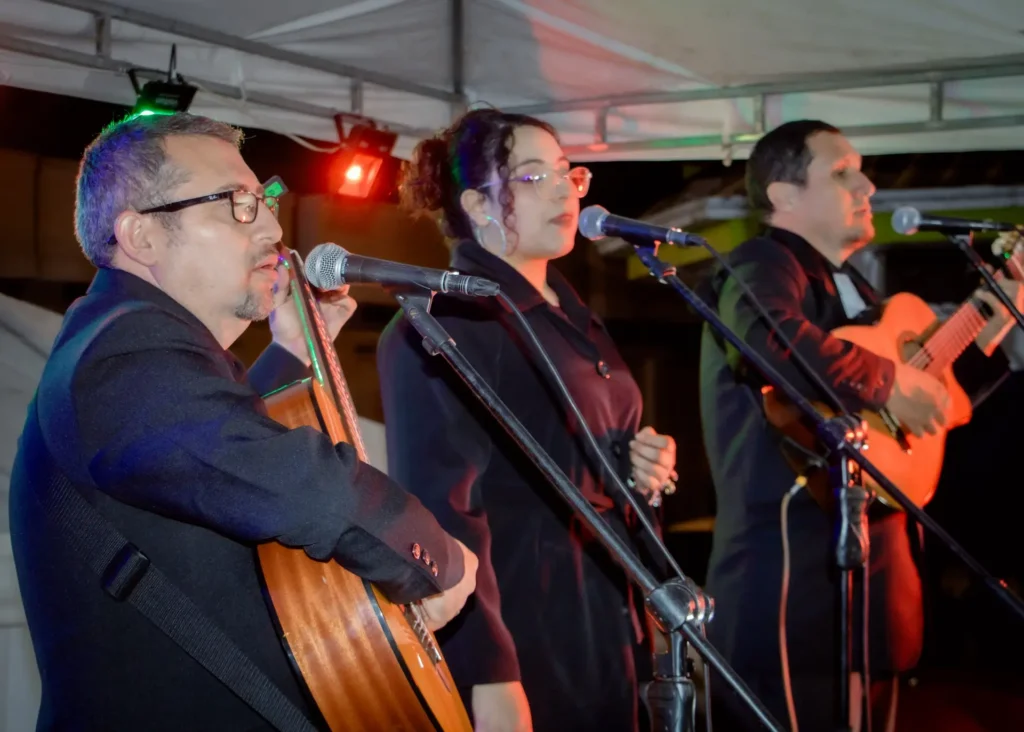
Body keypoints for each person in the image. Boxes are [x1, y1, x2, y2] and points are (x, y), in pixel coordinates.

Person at [8, 112, 478, 730]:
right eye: (236, 204)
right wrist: (438, 559)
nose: (274, 229)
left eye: (264, 201)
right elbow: (300, 486)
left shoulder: (137, 355)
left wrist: (290, 349)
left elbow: (212, 455)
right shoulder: (121, 353)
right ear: (141, 236)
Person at [698, 119, 1022, 731]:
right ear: (783, 196)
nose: (868, 185)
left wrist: (1001, 308)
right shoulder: (760, 262)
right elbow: (771, 338)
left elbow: (945, 397)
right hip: (789, 583)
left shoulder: (858, 290)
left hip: (874, 584)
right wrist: (893, 382)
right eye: (842, 172)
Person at [375, 108, 678, 732]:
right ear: (479, 205)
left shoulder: (568, 314)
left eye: (569, 174)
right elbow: (442, 509)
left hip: (605, 618)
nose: (565, 189)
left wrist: (641, 465)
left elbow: (582, 449)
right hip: (525, 624)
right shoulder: (445, 322)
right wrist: (489, 672)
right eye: (535, 177)